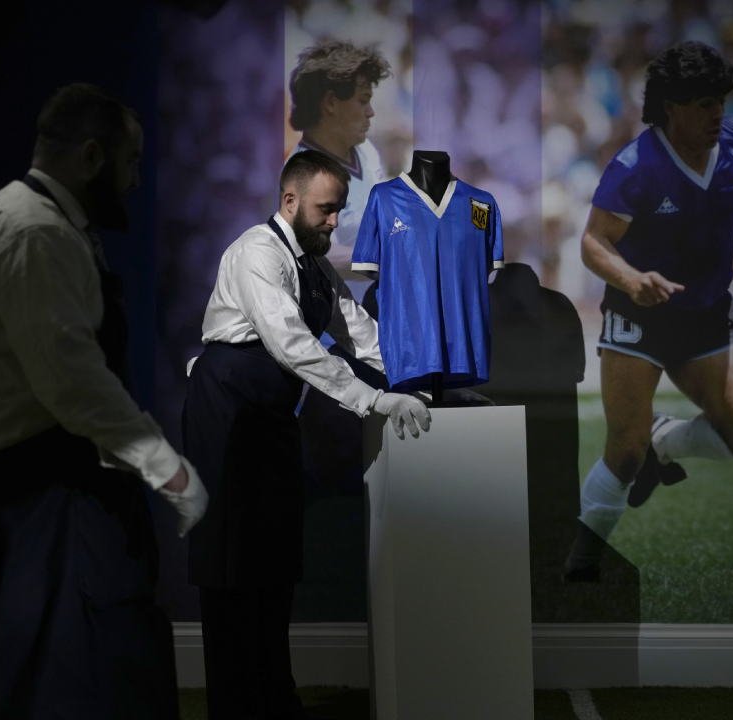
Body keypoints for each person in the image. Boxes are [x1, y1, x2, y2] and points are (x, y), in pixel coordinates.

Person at [0, 84, 208, 719]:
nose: (135, 180)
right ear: (92, 157)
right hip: (20, 499)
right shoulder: (32, 234)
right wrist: (168, 469)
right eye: (131, 161)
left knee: (7, 675)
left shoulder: (47, 226)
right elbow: (73, 382)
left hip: (35, 490)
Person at [183, 149, 430, 720]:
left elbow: (358, 330)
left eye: (339, 211)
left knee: (273, 559)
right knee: (229, 567)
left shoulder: (316, 265)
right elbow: (293, 346)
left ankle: (275, 697)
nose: (333, 223)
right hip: (226, 413)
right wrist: (373, 400)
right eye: (325, 210)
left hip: (270, 417)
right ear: (290, 201)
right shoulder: (254, 255)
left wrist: (414, 376)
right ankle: (235, 706)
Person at [564, 42, 733, 581]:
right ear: (672, 107)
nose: (718, 113)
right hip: (638, 317)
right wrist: (631, 279)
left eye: (721, 100)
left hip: (706, 316)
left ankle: (664, 440)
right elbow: (592, 245)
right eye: (703, 104)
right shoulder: (634, 168)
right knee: (623, 455)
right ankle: (583, 556)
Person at [287, 40, 390, 282]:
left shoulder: (365, 148)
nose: (370, 112)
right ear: (331, 102)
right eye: (363, 100)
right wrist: (393, 263)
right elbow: (318, 254)